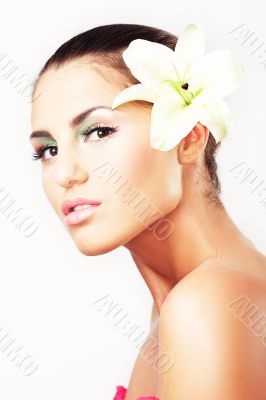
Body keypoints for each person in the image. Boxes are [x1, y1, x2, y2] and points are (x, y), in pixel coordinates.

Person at [29, 22, 266, 399]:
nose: (64, 174)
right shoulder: (180, 306)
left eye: (98, 132)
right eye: (47, 150)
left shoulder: (209, 305)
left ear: (189, 138)